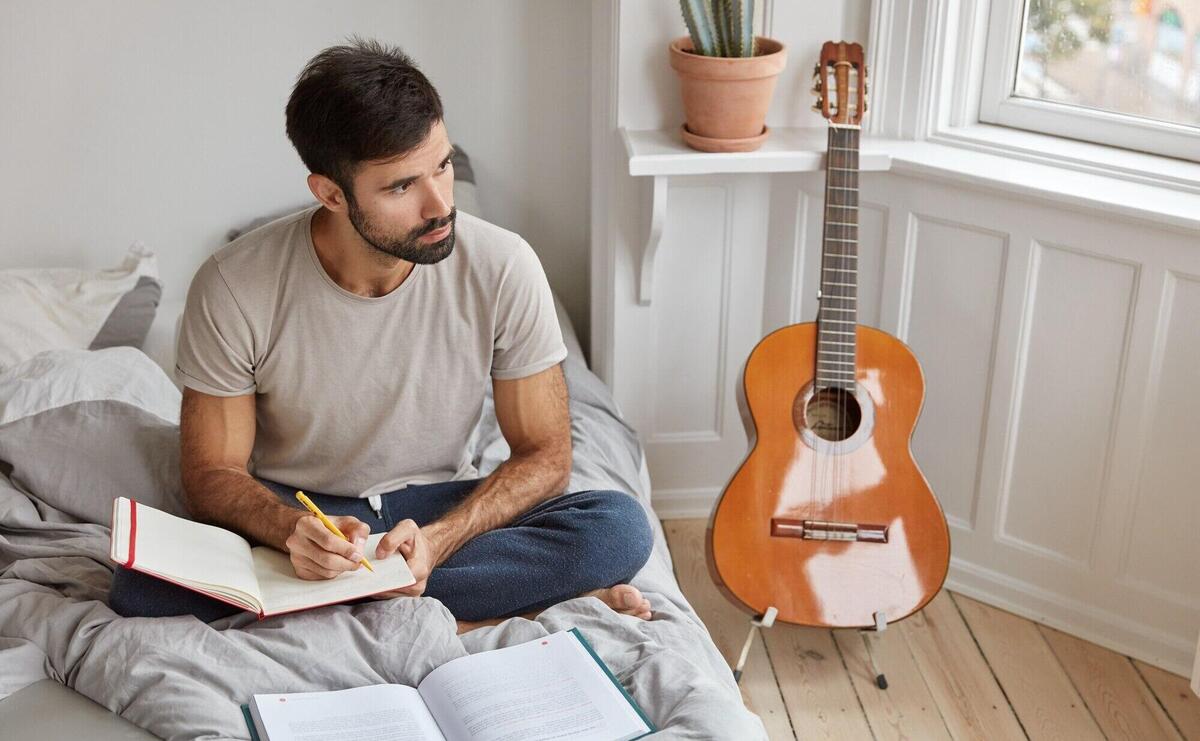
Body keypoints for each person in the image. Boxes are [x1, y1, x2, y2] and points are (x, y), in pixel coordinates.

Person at [108, 37, 654, 633]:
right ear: (331, 194)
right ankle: (498, 605)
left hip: (439, 507)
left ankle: (352, 602)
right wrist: (292, 532)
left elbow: (547, 455)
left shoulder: (504, 265)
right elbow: (213, 474)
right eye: (401, 187)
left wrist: (440, 542)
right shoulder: (233, 285)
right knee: (136, 588)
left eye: (442, 165)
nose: (439, 204)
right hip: (303, 512)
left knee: (618, 526)